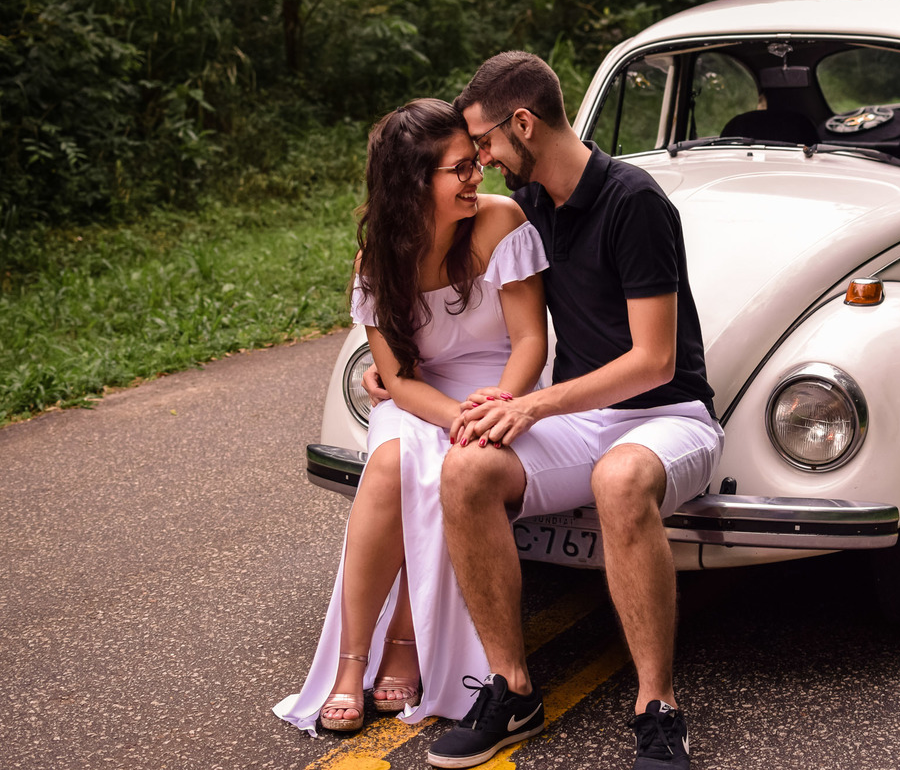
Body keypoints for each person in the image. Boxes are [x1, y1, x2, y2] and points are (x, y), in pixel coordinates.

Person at [415, 51, 722, 770]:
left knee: (619, 480)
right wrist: (397, 367)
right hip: (588, 419)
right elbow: (432, 261)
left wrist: (537, 403)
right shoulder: (533, 209)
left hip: (671, 414)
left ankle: (658, 707)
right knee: (466, 470)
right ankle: (513, 689)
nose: (483, 161)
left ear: (523, 123)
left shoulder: (633, 201)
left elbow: (654, 360)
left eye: (486, 142)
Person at [273, 98, 549, 736]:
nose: (477, 173)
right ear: (413, 182)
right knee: (395, 460)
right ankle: (351, 664)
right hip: (422, 395)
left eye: (474, 160)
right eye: (459, 168)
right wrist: (456, 414)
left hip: (506, 387)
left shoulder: (500, 222)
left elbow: (531, 342)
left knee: (453, 469)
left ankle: (408, 645)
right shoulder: (379, 261)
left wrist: (496, 409)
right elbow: (395, 379)